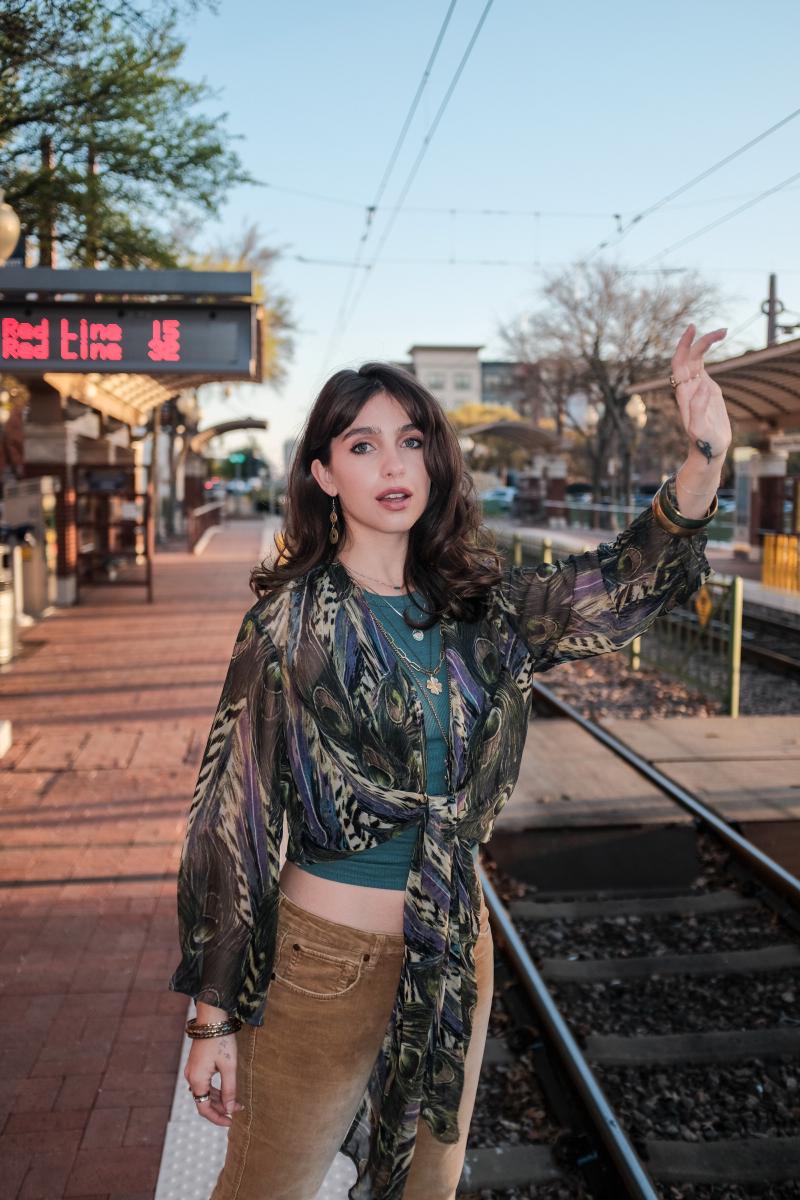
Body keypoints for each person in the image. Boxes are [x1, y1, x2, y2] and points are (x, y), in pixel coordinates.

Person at [169, 323, 730, 1199]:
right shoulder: (290, 625)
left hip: (454, 946)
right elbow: (231, 816)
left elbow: (617, 587)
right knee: (266, 1187)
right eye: (363, 445)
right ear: (324, 474)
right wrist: (213, 1013)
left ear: (434, 463)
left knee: (428, 1188)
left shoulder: (482, 608)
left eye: (411, 441)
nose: (393, 464)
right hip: (323, 961)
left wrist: (703, 456)